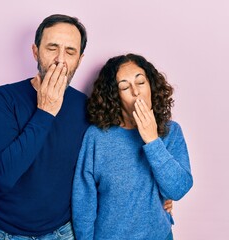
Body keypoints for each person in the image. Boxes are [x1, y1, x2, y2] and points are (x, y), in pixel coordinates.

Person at [0, 14, 173, 239]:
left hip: (64, 232)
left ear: (80, 60)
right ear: (35, 51)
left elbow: (116, 158)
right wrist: (45, 112)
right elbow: (4, 176)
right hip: (8, 232)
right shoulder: (4, 99)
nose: (60, 60)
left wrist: (160, 195)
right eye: (52, 48)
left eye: (70, 52)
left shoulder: (85, 107)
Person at [72, 53, 193, 240]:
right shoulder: (97, 137)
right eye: (124, 87)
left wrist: (152, 141)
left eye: (141, 82)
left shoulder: (171, 131)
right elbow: (84, 202)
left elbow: (178, 190)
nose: (136, 92)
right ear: (115, 97)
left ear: (151, 86)